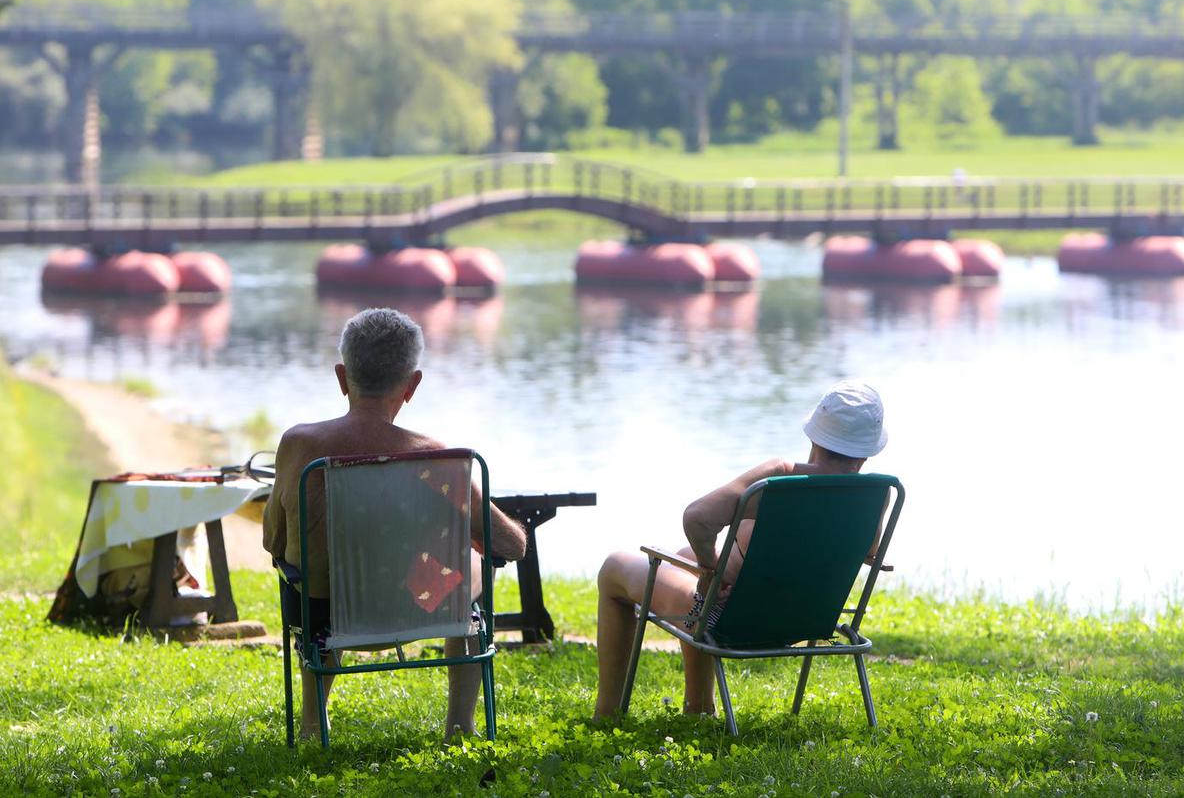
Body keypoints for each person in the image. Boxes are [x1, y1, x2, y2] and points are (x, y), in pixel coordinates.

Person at [262, 307, 527, 739]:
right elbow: (510, 545)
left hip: (323, 619)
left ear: (342, 377)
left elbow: (273, 539)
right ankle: (460, 726)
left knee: (315, 575)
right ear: (412, 385)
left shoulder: (299, 445)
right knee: (472, 569)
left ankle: (314, 724)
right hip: (421, 610)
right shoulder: (437, 458)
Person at [592, 380, 889, 719]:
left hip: (730, 622)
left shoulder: (779, 480)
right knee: (687, 558)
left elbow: (698, 518)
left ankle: (608, 713)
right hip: (807, 620)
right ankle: (698, 707)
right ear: (868, 451)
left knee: (615, 567)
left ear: (814, 435)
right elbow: (870, 551)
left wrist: (709, 570)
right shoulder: (878, 494)